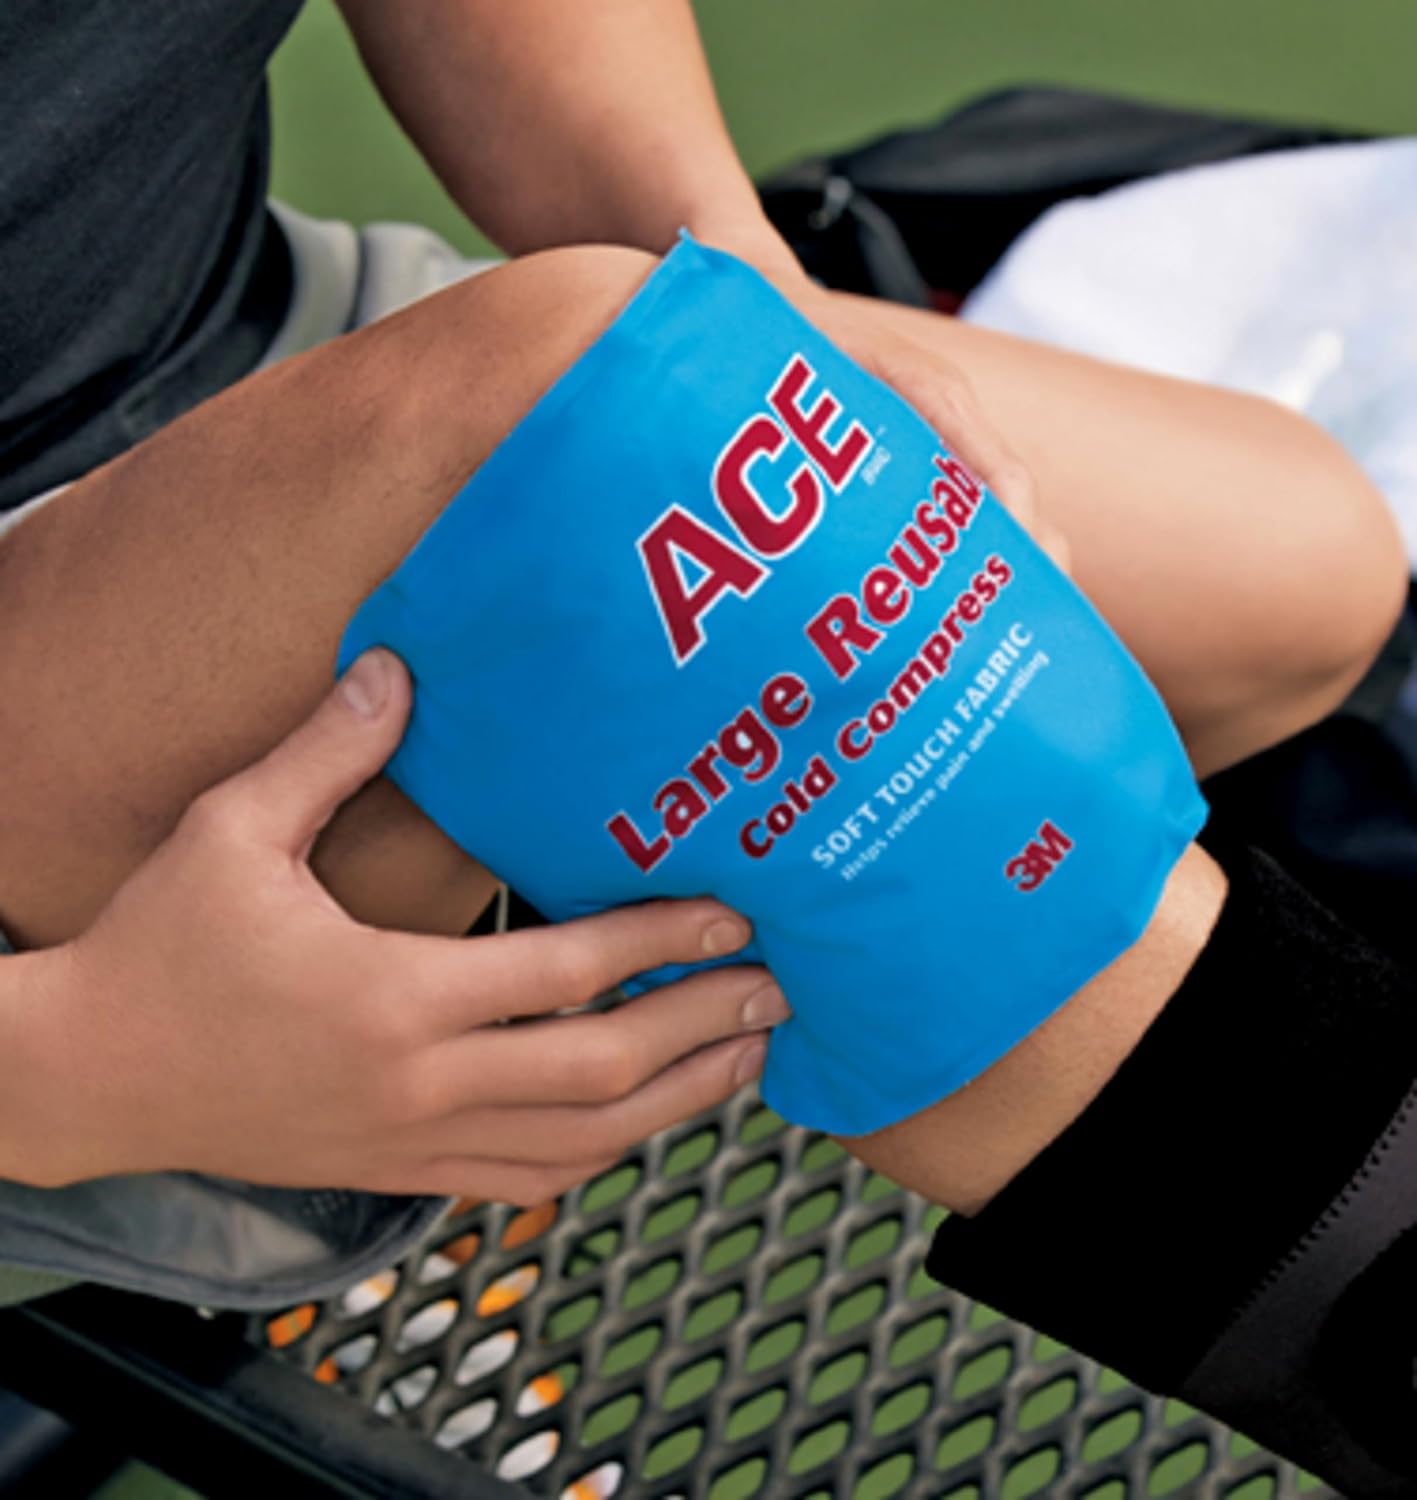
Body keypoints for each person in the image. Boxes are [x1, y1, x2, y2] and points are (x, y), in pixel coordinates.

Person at [0, 3, 1412, 1490]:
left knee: (1295, 567)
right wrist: (73, 1069)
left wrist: (738, 297)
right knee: (588, 444)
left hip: (255, 376)